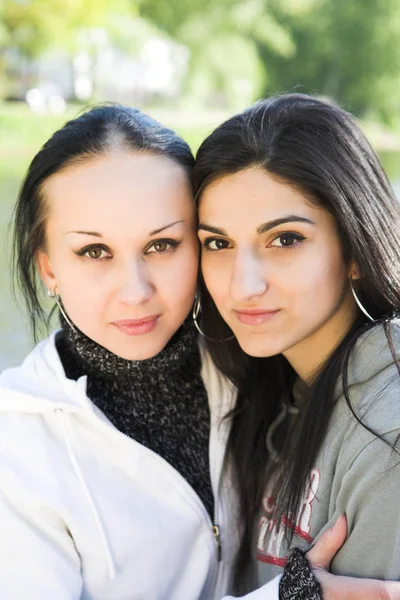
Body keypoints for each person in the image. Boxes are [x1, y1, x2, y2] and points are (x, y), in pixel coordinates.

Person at [0, 103, 397, 600]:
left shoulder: (252, 371)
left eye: (162, 245)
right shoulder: (15, 442)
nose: (135, 290)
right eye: (94, 252)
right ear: (48, 268)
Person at [192, 92, 400, 596]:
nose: (243, 285)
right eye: (217, 244)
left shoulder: (387, 438)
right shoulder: (260, 387)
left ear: (355, 248)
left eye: (284, 239)